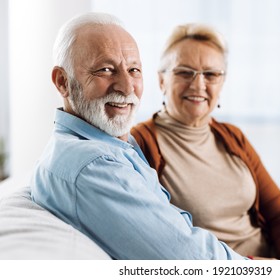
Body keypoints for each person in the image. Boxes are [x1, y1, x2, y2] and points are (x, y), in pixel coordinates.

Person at [130, 23, 280, 260]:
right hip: (224, 263)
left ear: (222, 82)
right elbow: (155, 235)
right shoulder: (141, 142)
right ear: (162, 80)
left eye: (211, 74)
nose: (198, 84)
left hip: (271, 250)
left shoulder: (231, 135)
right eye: (185, 72)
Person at [30, 12, 248, 260]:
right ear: (62, 82)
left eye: (134, 69)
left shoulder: (113, 143)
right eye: (105, 69)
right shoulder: (94, 165)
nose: (126, 86)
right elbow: (195, 260)